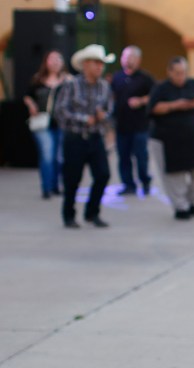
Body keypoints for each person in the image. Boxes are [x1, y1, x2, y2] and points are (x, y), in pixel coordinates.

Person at [53, 44, 115, 229]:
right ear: (86, 64)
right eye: (96, 63)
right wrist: (83, 119)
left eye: (101, 63)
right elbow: (60, 111)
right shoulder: (71, 84)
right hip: (75, 138)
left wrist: (102, 117)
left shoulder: (104, 87)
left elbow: (109, 110)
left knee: (103, 175)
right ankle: (69, 215)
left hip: (96, 137)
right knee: (72, 179)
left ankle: (92, 212)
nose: (100, 67)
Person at [148, 57, 194, 220]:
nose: (180, 76)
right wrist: (175, 105)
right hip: (169, 139)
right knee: (174, 176)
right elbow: (153, 109)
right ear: (169, 72)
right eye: (177, 73)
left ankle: (190, 201)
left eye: (183, 72)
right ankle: (180, 206)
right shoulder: (161, 88)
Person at [23, 49, 70, 200]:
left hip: (61, 122)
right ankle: (47, 187)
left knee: (60, 157)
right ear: (46, 62)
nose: (56, 62)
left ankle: (56, 185)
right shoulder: (38, 79)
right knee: (47, 154)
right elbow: (27, 95)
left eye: (59, 59)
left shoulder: (68, 80)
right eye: (52, 59)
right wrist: (31, 105)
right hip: (42, 122)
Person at [111, 45, 155, 196]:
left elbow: (155, 96)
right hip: (121, 125)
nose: (127, 60)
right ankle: (128, 184)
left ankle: (145, 181)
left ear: (138, 60)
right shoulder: (117, 77)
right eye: (125, 56)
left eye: (131, 57)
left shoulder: (145, 78)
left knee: (141, 157)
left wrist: (142, 101)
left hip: (140, 125)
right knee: (123, 157)